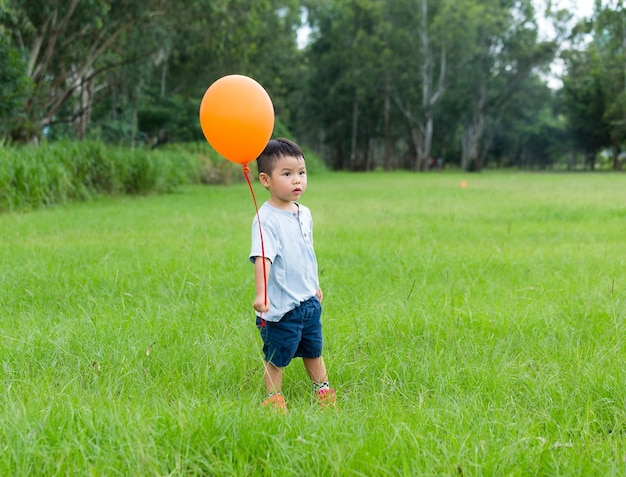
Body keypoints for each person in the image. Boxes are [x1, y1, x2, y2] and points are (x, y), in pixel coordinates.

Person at [250, 138, 335, 413]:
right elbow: (263, 259)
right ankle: (273, 400)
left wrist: (315, 285)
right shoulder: (266, 219)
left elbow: (306, 252)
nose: (297, 180)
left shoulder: (304, 213)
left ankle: (323, 393)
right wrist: (261, 294)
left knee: (314, 350)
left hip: (308, 302)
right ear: (265, 179)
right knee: (277, 356)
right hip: (282, 307)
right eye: (287, 174)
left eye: (301, 172)